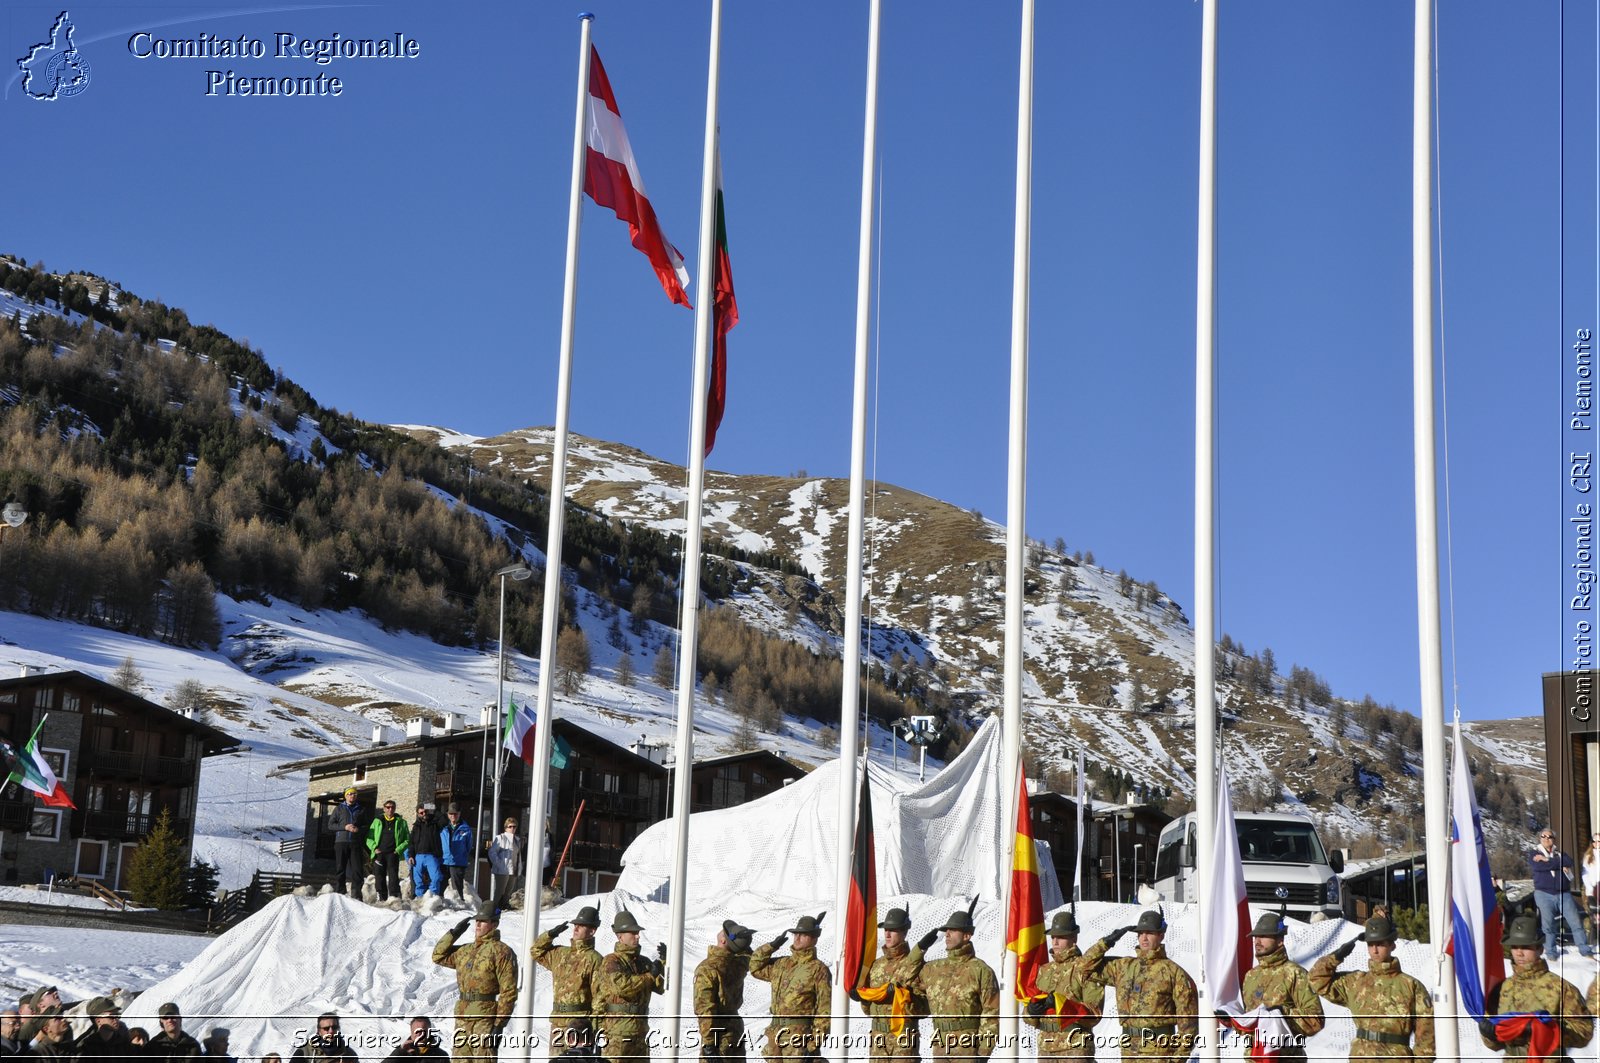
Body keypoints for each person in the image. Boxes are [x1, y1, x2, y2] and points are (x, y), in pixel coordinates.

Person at [1309, 913, 1434, 1062]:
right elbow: (1316, 979)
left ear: (1392, 945)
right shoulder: (1356, 982)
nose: (1375, 950)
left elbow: (1427, 1036)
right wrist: (1336, 957)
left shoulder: (1411, 986)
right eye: (1370, 944)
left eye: (1380, 944)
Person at [1081, 909, 1196, 1063]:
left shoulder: (1173, 972)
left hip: (1159, 1052)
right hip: (1129, 1051)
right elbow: (1083, 968)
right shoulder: (1123, 967)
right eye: (1140, 933)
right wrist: (1106, 943)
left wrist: (1177, 1060)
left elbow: (1188, 1023)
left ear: (1161, 935)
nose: (1144, 938)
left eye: (1150, 933)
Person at [1480, 913, 1593, 1057]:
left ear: (1540, 949)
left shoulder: (1561, 988)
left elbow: (1584, 1032)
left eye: (1526, 947)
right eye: (1515, 947)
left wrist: (1544, 1029)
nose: (1519, 953)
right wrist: (1488, 1033)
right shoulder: (1501, 990)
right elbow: (1493, 1044)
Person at [433, 904, 518, 1062]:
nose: (477, 924)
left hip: (485, 1019)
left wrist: (499, 1025)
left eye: (483, 921)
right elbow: (438, 956)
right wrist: (453, 934)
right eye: (476, 920)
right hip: (463, 1017)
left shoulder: (502, 952)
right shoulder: (466, 950)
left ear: (494, 924)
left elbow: (509, 992)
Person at [1236, 911, 1324, 1062]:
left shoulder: (1294, 973)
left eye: (1264, 936)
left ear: (1280, 940)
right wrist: (1233, 1020)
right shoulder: (1251, 976)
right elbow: (1248, 1022)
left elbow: (1315, 1020)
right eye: (1256, 937)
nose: (1257, 941)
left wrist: (1281, 1015)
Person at [1023, 910, 1105, 1060]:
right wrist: (1031, 1011)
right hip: (1046, 1048)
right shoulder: (1044, 970)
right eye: (1053, 937)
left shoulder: (1086, 968)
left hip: (1074, 1047)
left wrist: (1064, 1005)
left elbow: (1094, 1014)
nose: (1055, 942)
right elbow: (1029, 1013)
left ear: (1074, 937)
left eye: (1060, 937)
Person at [917, 910, 998, 1062]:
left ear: (967, 936)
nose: (947, 934)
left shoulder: (980, 970)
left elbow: (992, 1015)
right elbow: (907, 975)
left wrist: (983, 1053)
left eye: (953, 930)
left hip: (968, 1048)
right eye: (946, 930)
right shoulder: (933, 969)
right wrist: (920, 948)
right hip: (940, 1046)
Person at [854, 907, 930, 1063]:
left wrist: (903, 998)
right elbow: (868, 1010)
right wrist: (863, 997)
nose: (887, 934)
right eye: (886, 930)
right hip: (878, 1040)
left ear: (904, 932)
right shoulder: (876, 965)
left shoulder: (916, 966)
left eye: (893, 930)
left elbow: (925, 1008)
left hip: (903, 1040)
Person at [530, 906, 605, 1056]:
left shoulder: (594, 959)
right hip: (558, 1022)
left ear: (592, 930)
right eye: (575, 924)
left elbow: (599, 996)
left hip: (580, 1024)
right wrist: (550, 935)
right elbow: (536, 951)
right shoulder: (560, 954)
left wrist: (595, 1028)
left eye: (581, 925)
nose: (576, 928)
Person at [593, 910, 666, 1063]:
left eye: (637, 933)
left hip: (640, 1031)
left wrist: (663, 963)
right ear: (620, 936)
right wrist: (649, 975)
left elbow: (660, 987)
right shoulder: (611, 961)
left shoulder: (643, 961)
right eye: (633, 933)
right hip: (618, 1033)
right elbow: (622, 987)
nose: (638, 936)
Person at [1528, 827, 1595, 958]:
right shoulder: (1533, 854)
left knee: (1575, 921)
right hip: (1543, 894)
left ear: (1554, 839)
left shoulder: (1560, 853)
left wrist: (1547, 860)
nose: (1547, 839)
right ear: (1540, 839)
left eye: (1550, 837)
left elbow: (1569, 862)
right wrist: (1557, 864)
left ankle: (1584, 949)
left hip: (1564, 893)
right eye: (1544, 836)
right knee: (1548, 924)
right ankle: (1551, 952)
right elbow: (1538, 867)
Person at [694, 919, 755, 1062]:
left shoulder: (707, 968)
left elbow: (705, 1008)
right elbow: (749, 955)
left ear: (723, 941)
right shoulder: (740, 964)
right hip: (735, 1031)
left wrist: (709, 1045)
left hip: (718, 1037)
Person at [368, 799, 412, 902]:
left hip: (393, 853)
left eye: (392, 807)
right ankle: (381, 897)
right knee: (379, 876)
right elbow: (369, 837)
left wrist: (398, 850)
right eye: (388, 807)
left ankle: (394, 897)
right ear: (384, 809)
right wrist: (374, 847)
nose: (390, 809)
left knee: (393, 877)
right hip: (380, 854)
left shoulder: (401, 822)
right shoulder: (377, 821)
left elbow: (407, 839)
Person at [331, 787, 370, 899]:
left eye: (354, 794)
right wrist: (345, 827)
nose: (352, 796)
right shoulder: (339, 809)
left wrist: (358, 830)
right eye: (350, 794)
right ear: (346, 796)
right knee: (340, 868)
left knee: (357, 870)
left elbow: (366, 826)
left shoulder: (361, 809)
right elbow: (330, 825)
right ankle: (340, 893)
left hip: (355, 843)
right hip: (341, 842)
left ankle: (356, 894)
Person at [486, 818, 524, 909]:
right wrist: (500, 864)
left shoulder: (517, 840)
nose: (512, 828)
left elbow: (518, 855)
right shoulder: (501, 838)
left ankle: (504, 905)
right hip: (502, 869)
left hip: (513, 869)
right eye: (510, 826)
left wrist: (519, 867)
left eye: (514, 827)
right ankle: (494, 907)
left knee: (509, 890)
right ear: (506, 828)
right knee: (500, 890)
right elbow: (492, 852)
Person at [290, 1014, 360, 1063]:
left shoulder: (349, 1054)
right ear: (319, 1031)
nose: (331, 1031)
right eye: (326, 1028)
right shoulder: (304, 1051)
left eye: (334, 1027)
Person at [441, 805, 475, 899]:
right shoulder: (443, 827)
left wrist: (462, 855)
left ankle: (459, 905)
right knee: (441, 886)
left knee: (457, 887)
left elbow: (469, 845)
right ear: (447, 814)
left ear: (459, 814)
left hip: (458, 862)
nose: (453, 816)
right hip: (444, 861)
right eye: (451, 814)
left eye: (455, 814)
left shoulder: (465, 828)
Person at [412, 804, 445, 898]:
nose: (424, 814)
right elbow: (412, 843)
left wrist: (432, 807)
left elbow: (444, 820)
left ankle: (433, 896)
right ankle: (420, 898)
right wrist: (411, 855)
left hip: (432, 856)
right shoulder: (416, 826)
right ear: (418, 814)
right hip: (418, 856)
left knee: (436, 877)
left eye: (425, 811)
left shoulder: (435, 824)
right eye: (421, 813)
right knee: (418, 880)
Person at [382, 1017, 450, 1063]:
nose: (419, 1034)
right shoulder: (401, 1053)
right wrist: (399, 1052)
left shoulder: (441, 1057)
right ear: (411, 1031)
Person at [1582, 833, 1600, 935]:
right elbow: (1584, 874)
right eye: (1594, 841)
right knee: (1595, 917)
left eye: (1599, 841)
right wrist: (1590, 887)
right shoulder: (1588, 856)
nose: (1596, 843)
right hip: (1592, 891)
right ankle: (1594, 941)